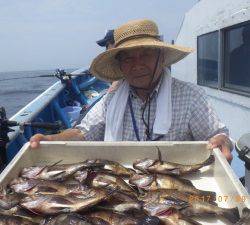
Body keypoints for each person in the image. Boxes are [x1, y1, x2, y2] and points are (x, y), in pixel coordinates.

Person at [30, 19, 233, 162]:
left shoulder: (191, 96)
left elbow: (218, 136)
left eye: (146, 54)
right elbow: (84, 134)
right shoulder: (111, 99)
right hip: (125, 185)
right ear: (120, 66)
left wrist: (223, 142)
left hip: (174, 183)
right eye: (128, 58)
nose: (137, 65)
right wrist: (52, 140)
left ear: (161, 58)